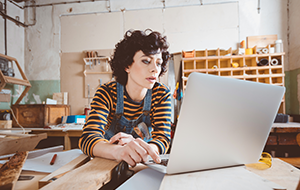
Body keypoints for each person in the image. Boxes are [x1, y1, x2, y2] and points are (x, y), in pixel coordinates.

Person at [79, 29, 172, 167]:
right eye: (146, 61)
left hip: (143, 164)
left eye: (158, 63)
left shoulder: (161, 95)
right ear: (127, 65)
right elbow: (88, 139)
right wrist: (120, 151)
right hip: (109, 164)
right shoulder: (106, 93)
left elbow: (163, 138)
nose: (155, 69)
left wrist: (144, 151)